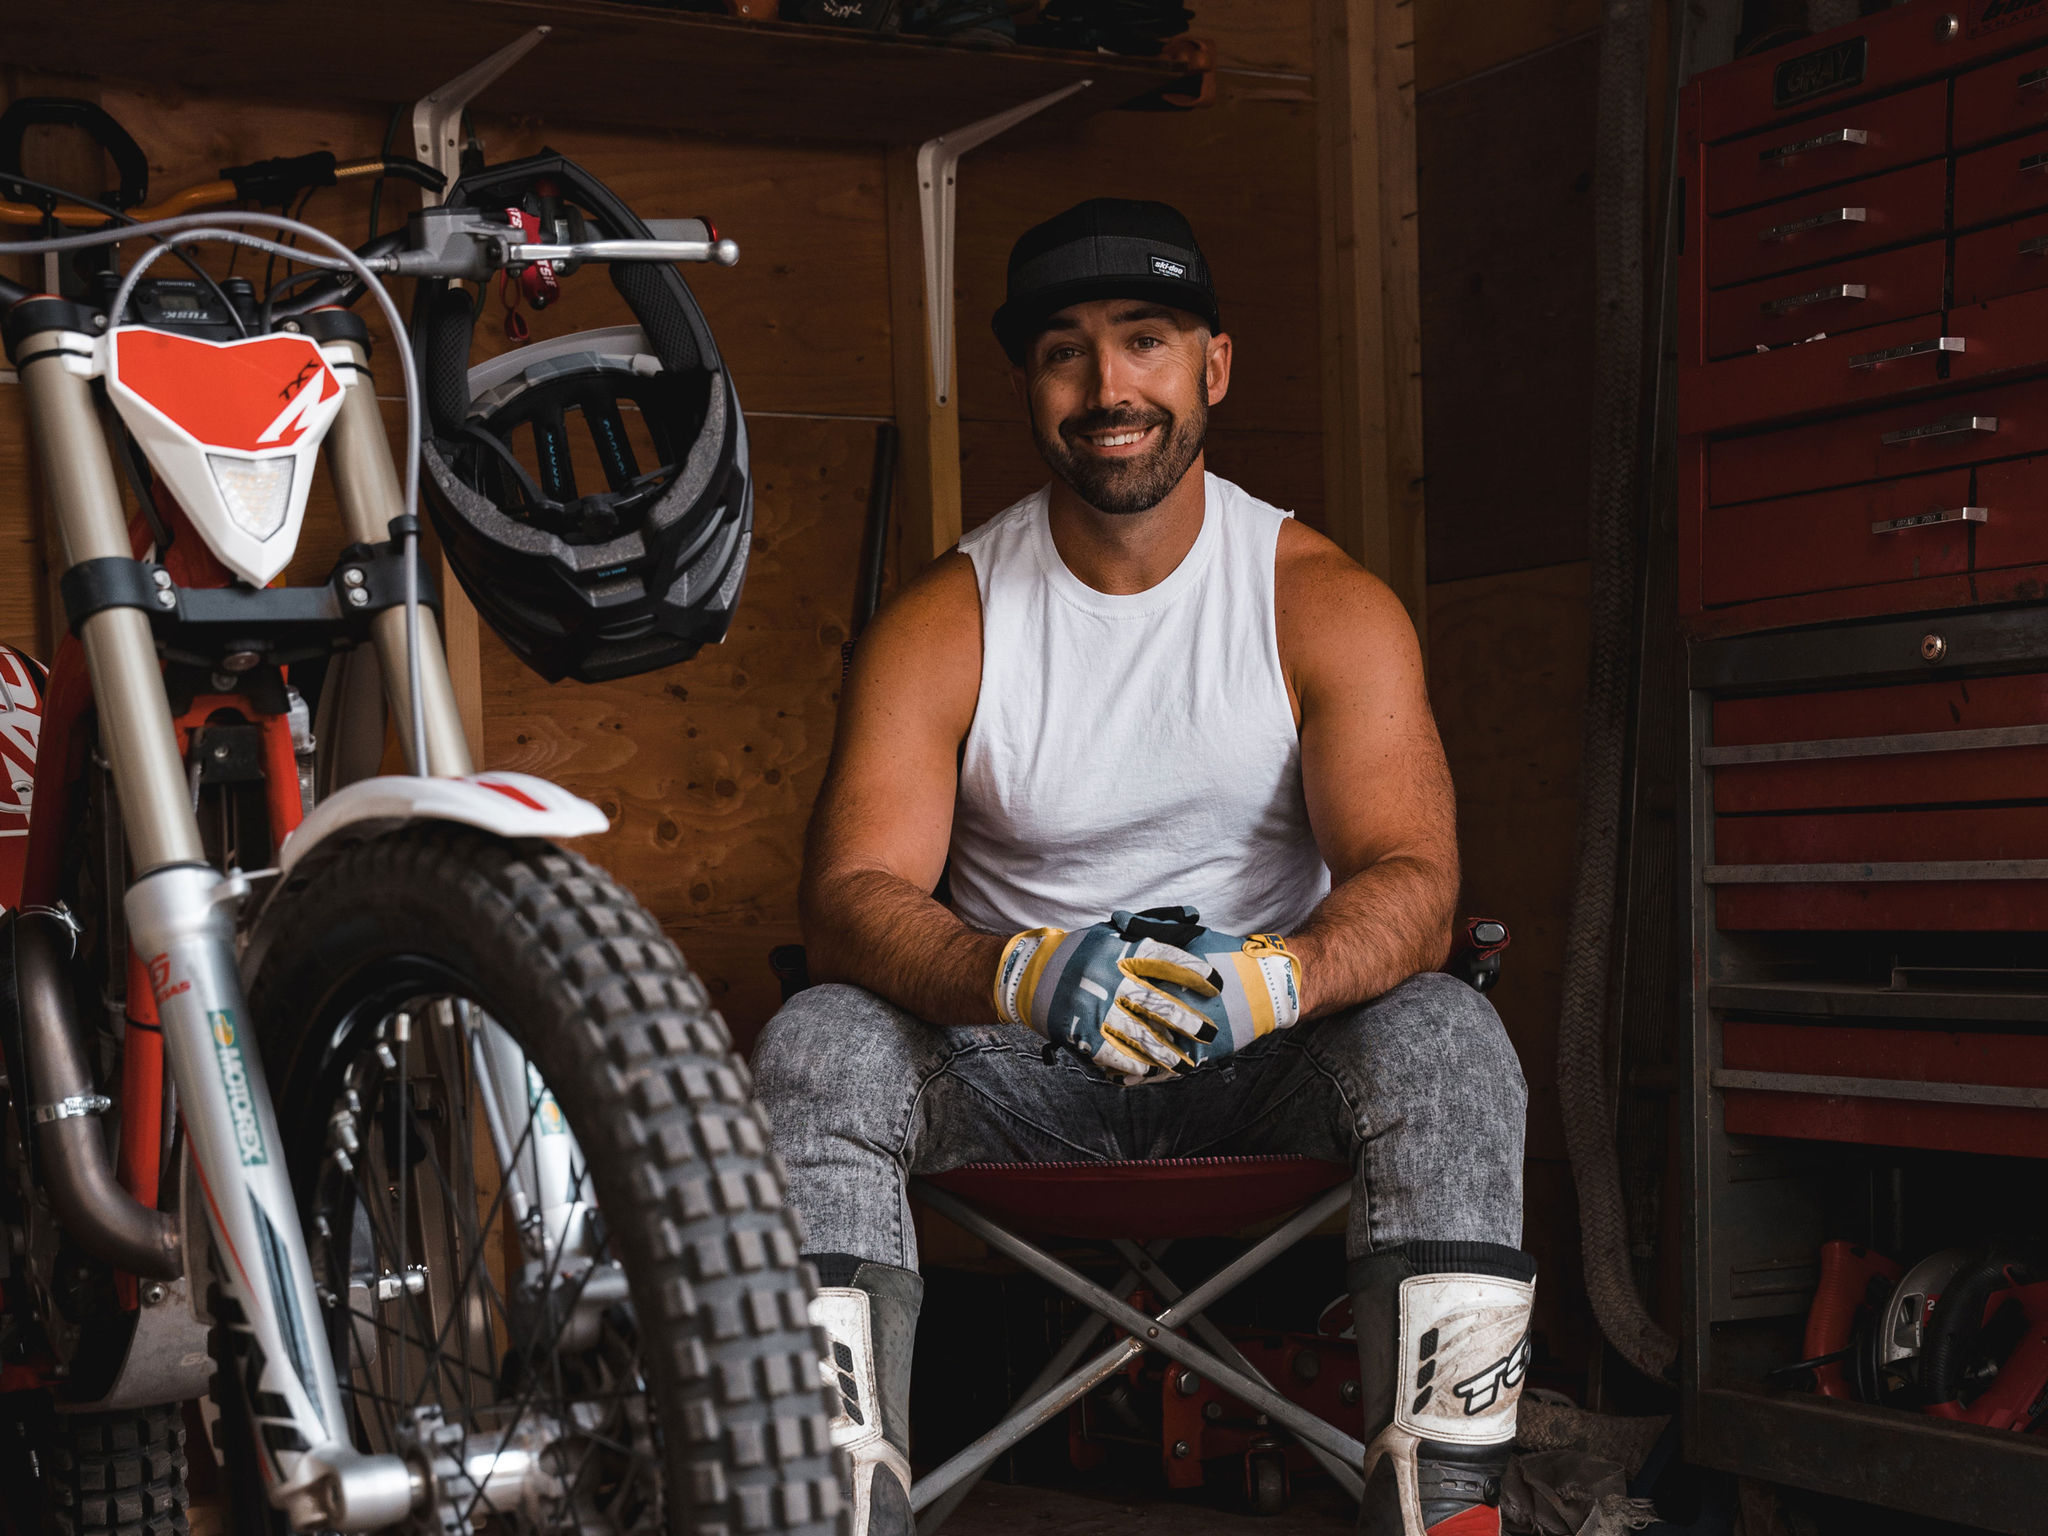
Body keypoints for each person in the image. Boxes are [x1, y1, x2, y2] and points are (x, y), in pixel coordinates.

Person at [753, 198, 1534, 1536]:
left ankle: (1449, 1515)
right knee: (819, 1042)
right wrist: (1013, 972)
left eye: (1147, 341)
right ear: (1027, 385)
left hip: (1268, 1063)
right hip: (1021, 1069)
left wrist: (1284, 979)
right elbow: (846, 902)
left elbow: (1413, 875)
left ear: (1213, 366)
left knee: (1452, 1037)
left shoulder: (1321, 599)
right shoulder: (948, 619)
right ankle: (831, 1512)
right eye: (1067, 350)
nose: (1109, 387)